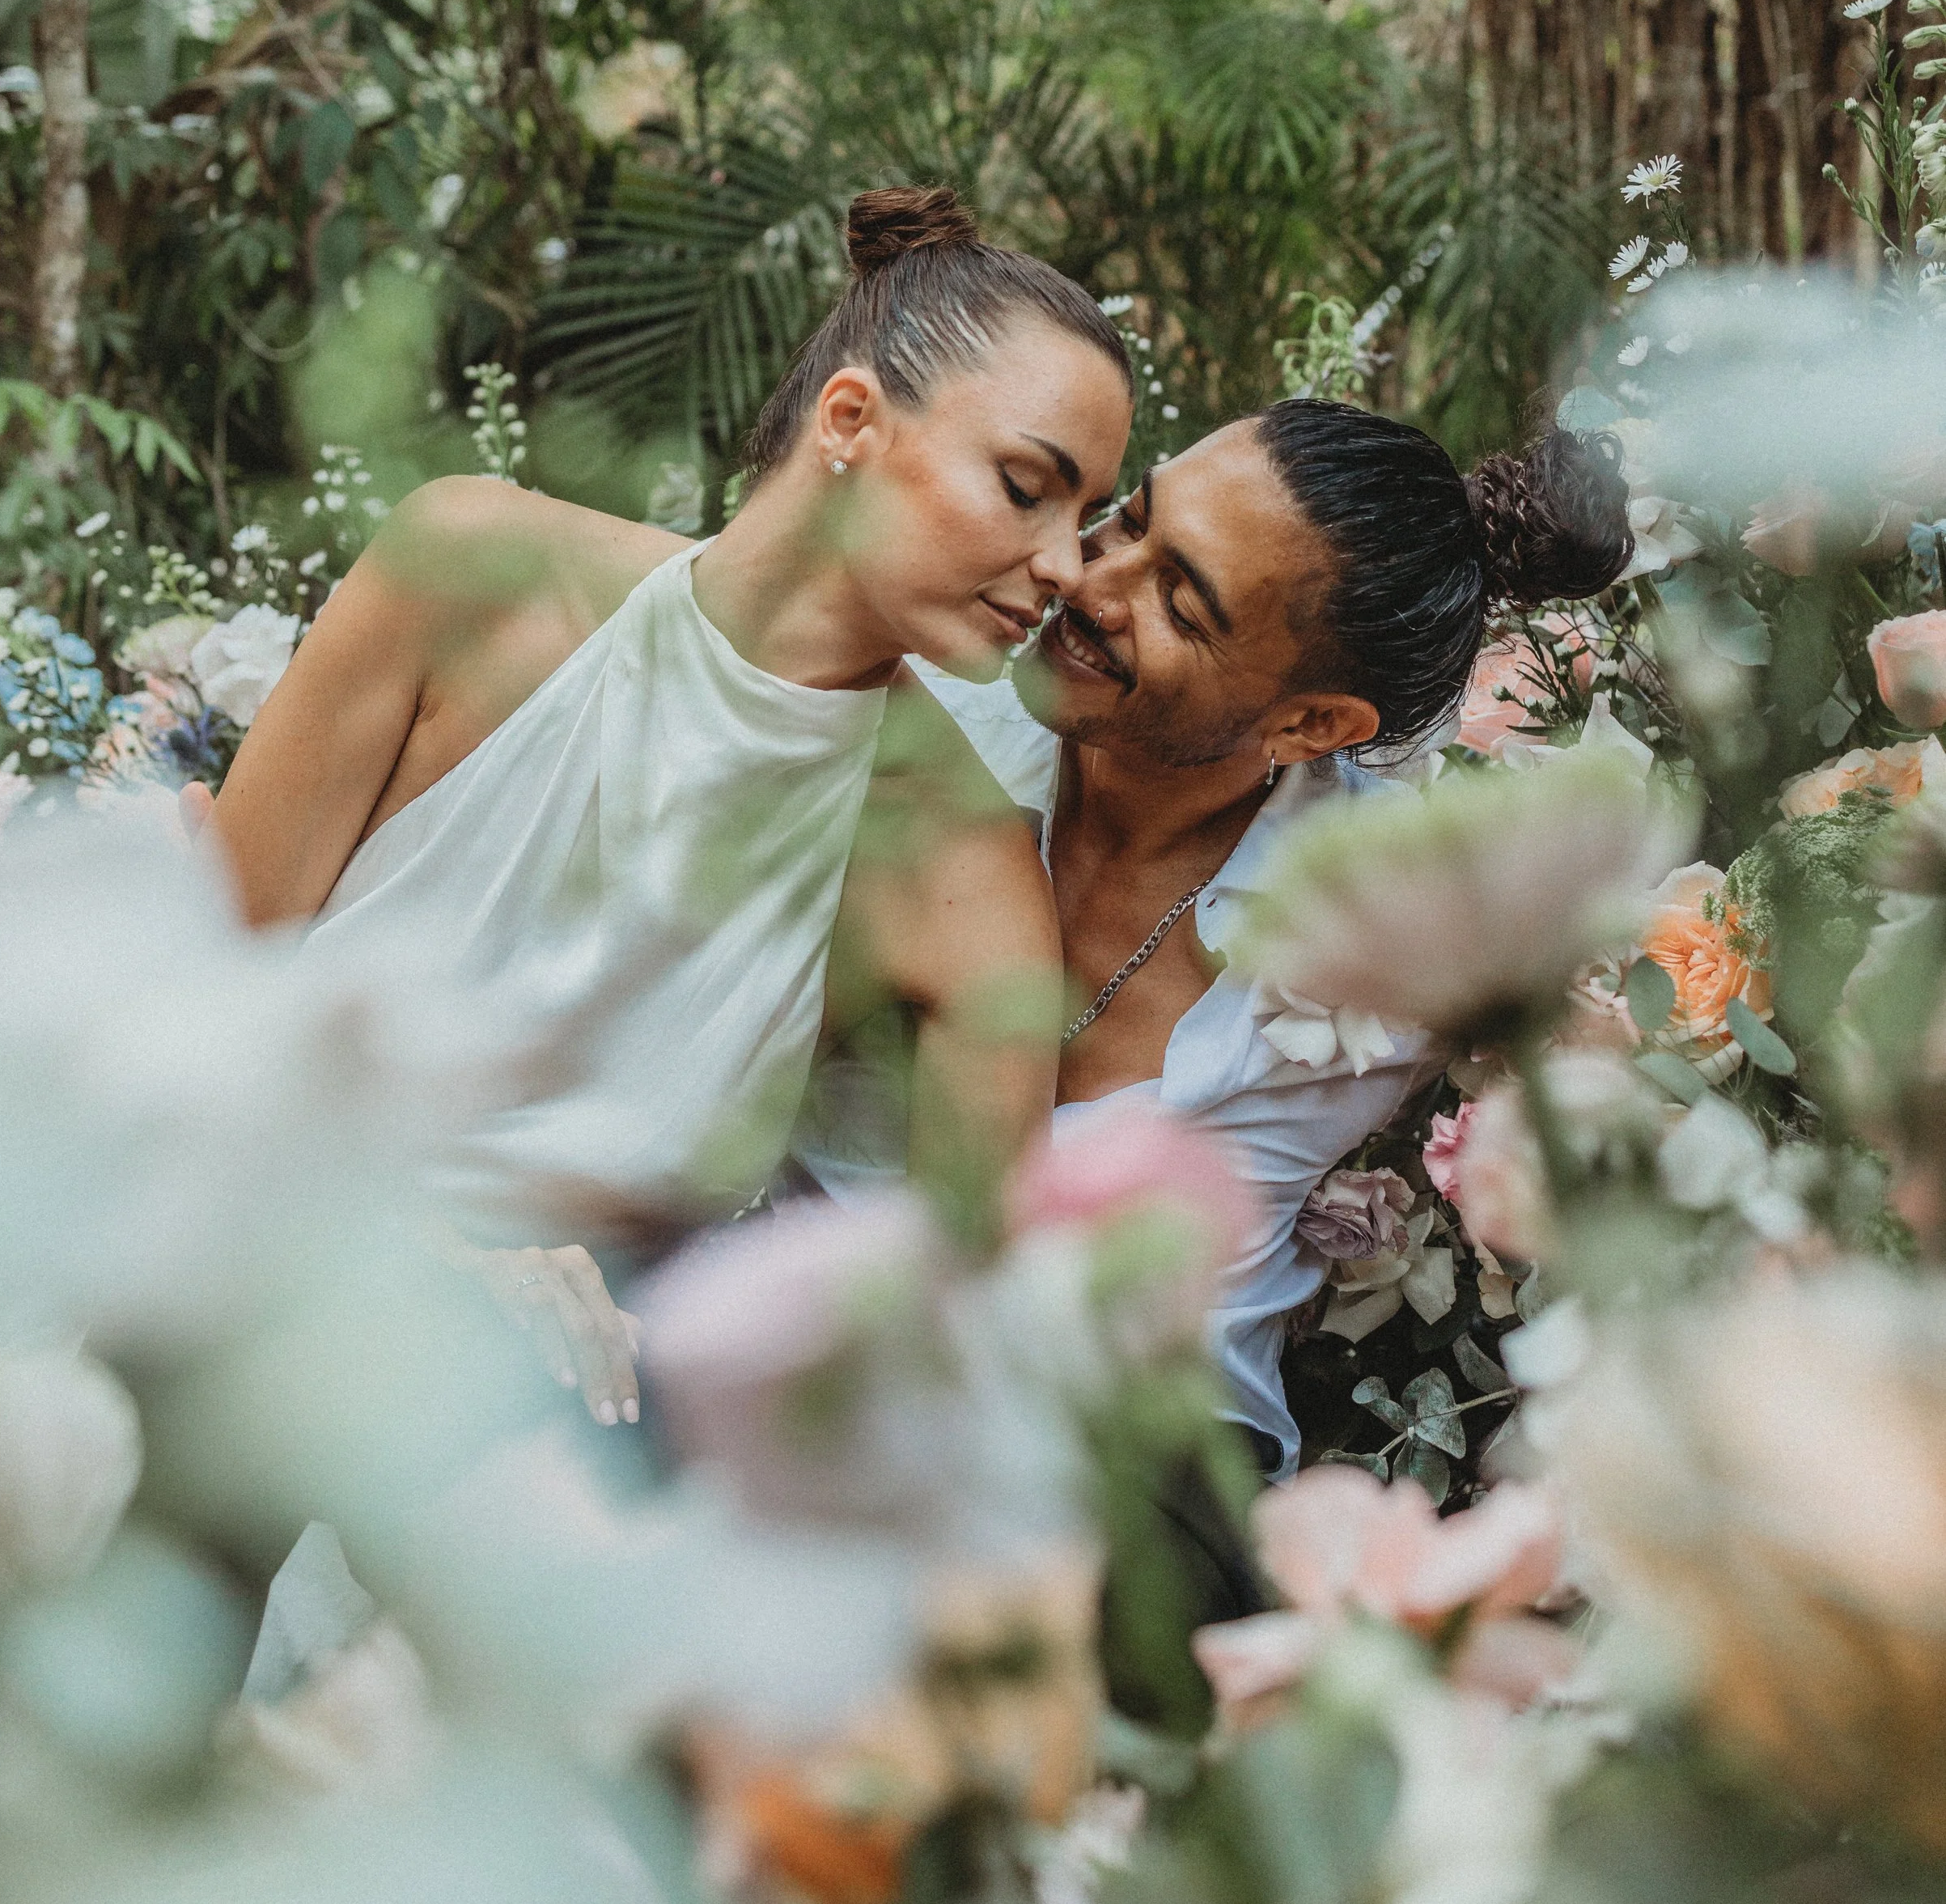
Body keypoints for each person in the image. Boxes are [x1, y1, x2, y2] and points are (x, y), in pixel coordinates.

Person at [199, 188, 1133, 1418]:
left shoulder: (965, 881)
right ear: (851, 418)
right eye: (1027, 487)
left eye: (1088, 517)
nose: (1067, 566)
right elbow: (193, 990)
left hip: (544, 1430)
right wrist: (428, 1261)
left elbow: (955, 1326)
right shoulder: (473, 575)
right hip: (225, 1244)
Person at [814, 397, 1633, 1480]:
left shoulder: (1403, 913)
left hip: (1150, 1461)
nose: (1086, 582)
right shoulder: (932, 699)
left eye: (1179, 600)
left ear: (1313, 725)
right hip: (804, 1354)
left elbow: (1633, 1069)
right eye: (1130, 521)